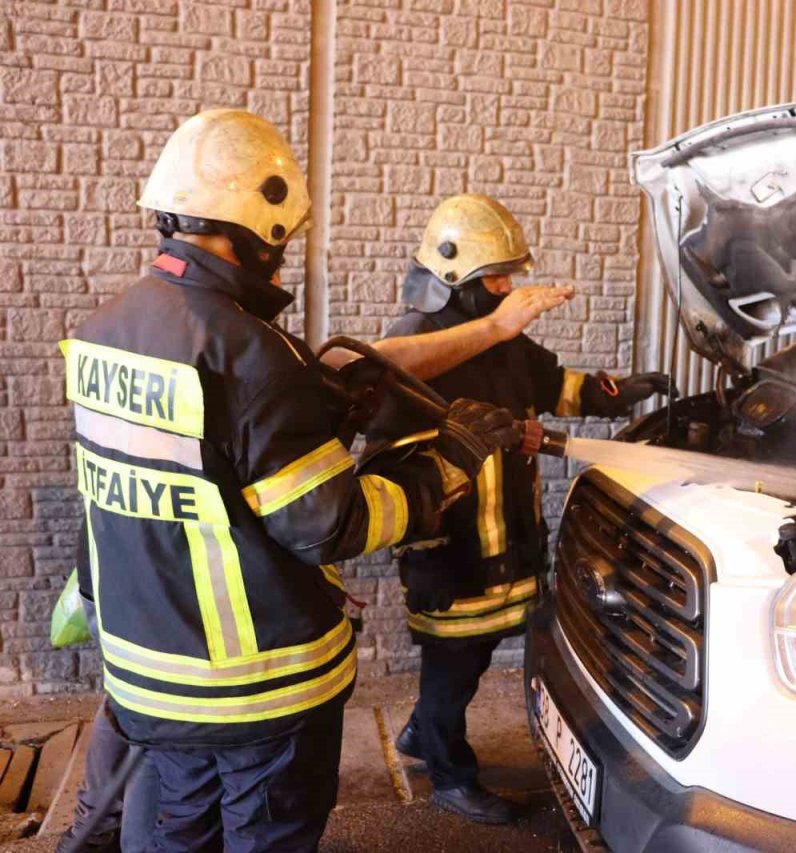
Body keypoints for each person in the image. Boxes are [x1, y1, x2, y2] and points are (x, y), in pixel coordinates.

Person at [59, 110, 522, 852]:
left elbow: (203, 463)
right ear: (260, 227)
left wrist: (322, 403)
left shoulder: (105, 331)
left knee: (181, 836)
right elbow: (329, 524)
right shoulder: (251, 350)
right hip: (258, 692)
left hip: (148, 680)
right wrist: (447, 462)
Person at [386, 194, 672, 824]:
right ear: (456, 278)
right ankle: (449, 777)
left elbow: (557, 387)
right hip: (452, 548)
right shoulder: (413, 344)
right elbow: (387, 443)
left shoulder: (508, 344)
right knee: (452, 669)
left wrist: (622, 390)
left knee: (474, 655)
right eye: (496, 278)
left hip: (506, 540)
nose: (508, 288)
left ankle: (417, 736)